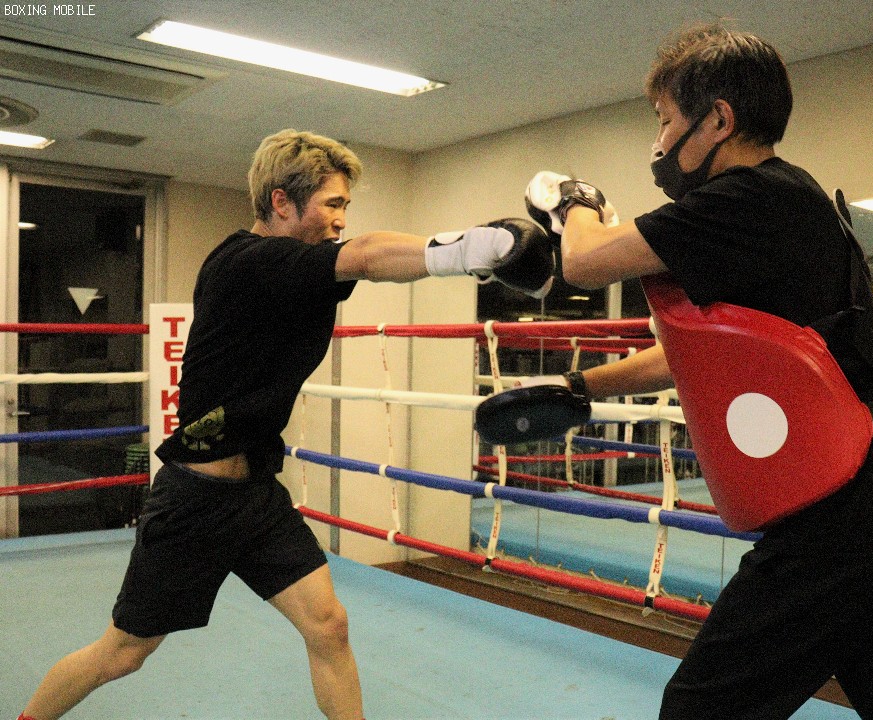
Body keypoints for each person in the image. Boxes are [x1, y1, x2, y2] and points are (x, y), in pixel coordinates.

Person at [18, 129, 553, 720]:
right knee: (123, 652)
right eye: (331, 204)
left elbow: (372, 260)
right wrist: (469, 249)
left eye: (345, 205)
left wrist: (467, 266)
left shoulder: (298, 271)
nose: (340, 219)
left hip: (253, 496)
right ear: (281, 202)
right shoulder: (246, 262)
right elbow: (368, 254)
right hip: (194, 499)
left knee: (329, 625)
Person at [521, 24, 873, 720]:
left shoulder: (745, 199)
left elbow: (582, 260)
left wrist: (572, 203)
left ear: (718, 119)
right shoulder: (783, 198)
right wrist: (580, 387)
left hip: (845, 514)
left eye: (666, 119)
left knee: (702, 709)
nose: (660, 142)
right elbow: (702, 352)